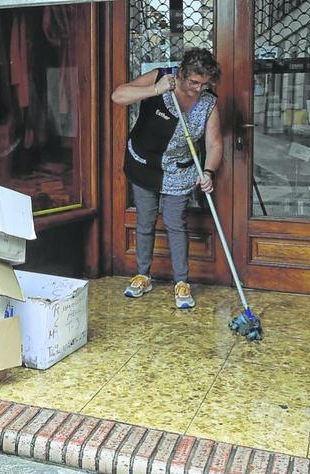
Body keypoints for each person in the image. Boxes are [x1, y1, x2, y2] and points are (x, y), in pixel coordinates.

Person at [111, 48, 222, 309]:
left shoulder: (208, 103)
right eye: (194, 81)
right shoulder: (161, 77)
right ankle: (143, 275)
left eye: (204, 83)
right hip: (144, 163)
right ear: (182, 73)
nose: (197, 88)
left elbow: (215, 144)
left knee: (176, 224)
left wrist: (208, 172)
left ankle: (181, 282)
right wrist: (156, 89)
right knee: (145, 220)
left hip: (179, 170)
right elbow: (118, 95)